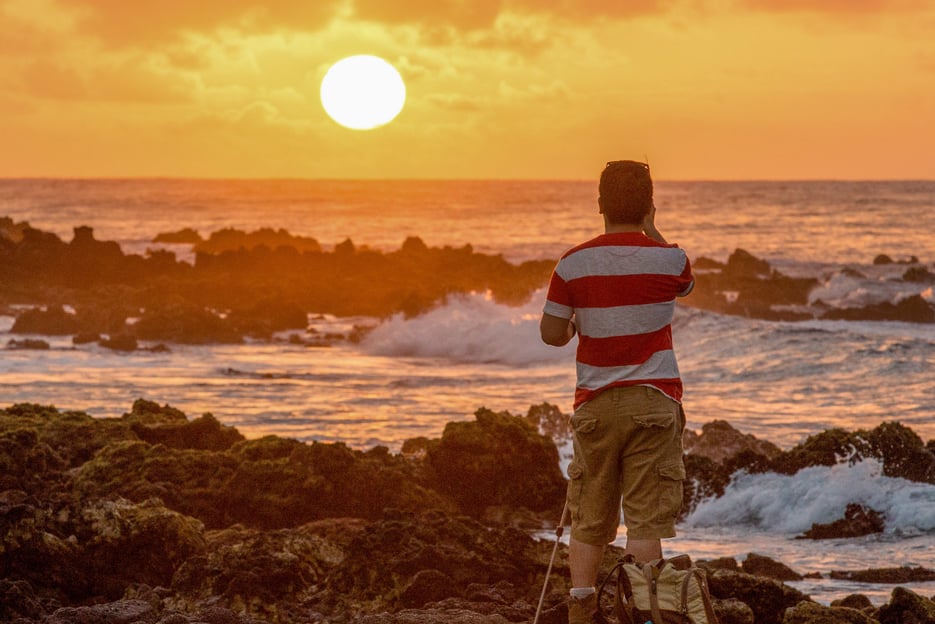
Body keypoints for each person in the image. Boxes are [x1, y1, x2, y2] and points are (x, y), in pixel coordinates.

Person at [539, 160, 694, 624]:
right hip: (654, 401)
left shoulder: (573, 263)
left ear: (600, 204)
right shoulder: (670, 259)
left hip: (597, 404)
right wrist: (653, 229)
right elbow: (685, 284)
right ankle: (646, 614)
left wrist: (575, 326)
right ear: (648, 204)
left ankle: (582, 608)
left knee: (589, 516)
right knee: (646, 520)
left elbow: (551, 333)